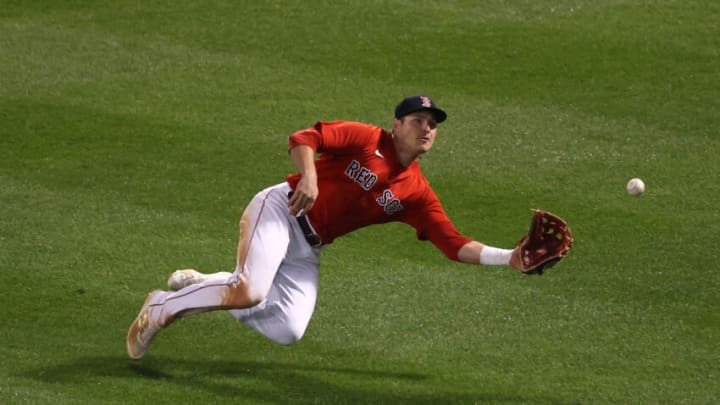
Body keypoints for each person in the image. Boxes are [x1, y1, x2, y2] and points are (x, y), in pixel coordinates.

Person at [126, 95, 528, 359]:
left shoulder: (416, 193)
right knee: (250, 291)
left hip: (309, 247)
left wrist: (509, 257)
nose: (427, 129)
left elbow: (453, 244)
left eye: (433, 125)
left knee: (287, 329)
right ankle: (161, 307)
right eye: (418, 120)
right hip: (280, 210)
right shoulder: (365, 139)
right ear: (397, 124)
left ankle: (211, 283)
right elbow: (305, 137)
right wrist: (309, 176)